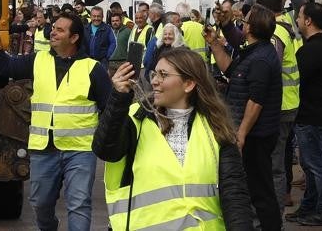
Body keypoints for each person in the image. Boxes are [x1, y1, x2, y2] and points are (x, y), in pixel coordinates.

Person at [95, 49, 253, 231]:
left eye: (163, 75)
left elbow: (234, 194)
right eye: (154, 74)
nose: (154, 81)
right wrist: (119, 98)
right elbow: (105, 150)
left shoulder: (215, 126)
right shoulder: (135, 118)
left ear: (189, 84)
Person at [0, 12, 111, 231]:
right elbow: (3, 66)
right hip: (44, 150)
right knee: (40, 203)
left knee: (79, 204)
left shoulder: (93, 69)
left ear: (74, 38)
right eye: (53, 28)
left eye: (60, 30)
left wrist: (107, 141)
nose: (52, 32)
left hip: (80, 151)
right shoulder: (38, 60)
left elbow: (109, 109)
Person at [208, 3, 283, 231]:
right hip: (252, 134)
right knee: (255, 186)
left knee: (260, 190)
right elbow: (232, 71)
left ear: (250, 28)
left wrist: (241, 134)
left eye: (245, 20)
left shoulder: (260, 59)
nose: (242, 23)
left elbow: (256, 101)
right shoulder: (254, 52)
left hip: (256, 136)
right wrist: (214, 43)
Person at [288, 2, 322, 226]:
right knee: (310, 166)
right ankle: (309, 206)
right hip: (319, 113)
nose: (297, 20)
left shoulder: (311, 50)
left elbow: (297, 80)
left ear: (308, 21)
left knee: (317, 165)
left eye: (299, 17)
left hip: (312, 115)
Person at [255, 0, 300, 214]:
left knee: (274, 164)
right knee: (278, 159)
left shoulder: (275, 32)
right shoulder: (285, 25)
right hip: (287, 103)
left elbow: (269, 69)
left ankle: (275, 214)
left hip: (280, 107)